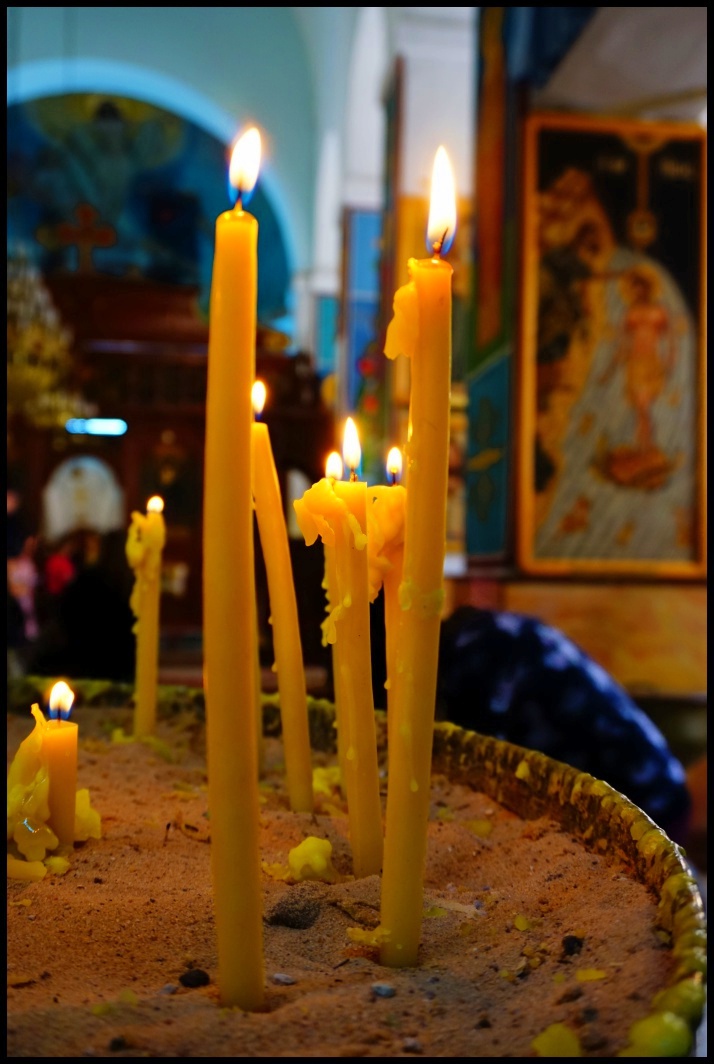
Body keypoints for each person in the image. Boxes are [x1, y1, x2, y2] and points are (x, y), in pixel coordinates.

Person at [436, 605, 692, 845]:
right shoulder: (489, 631)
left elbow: (476, 777)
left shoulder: (476, 653)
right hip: (659, 792)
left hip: (647, 814)